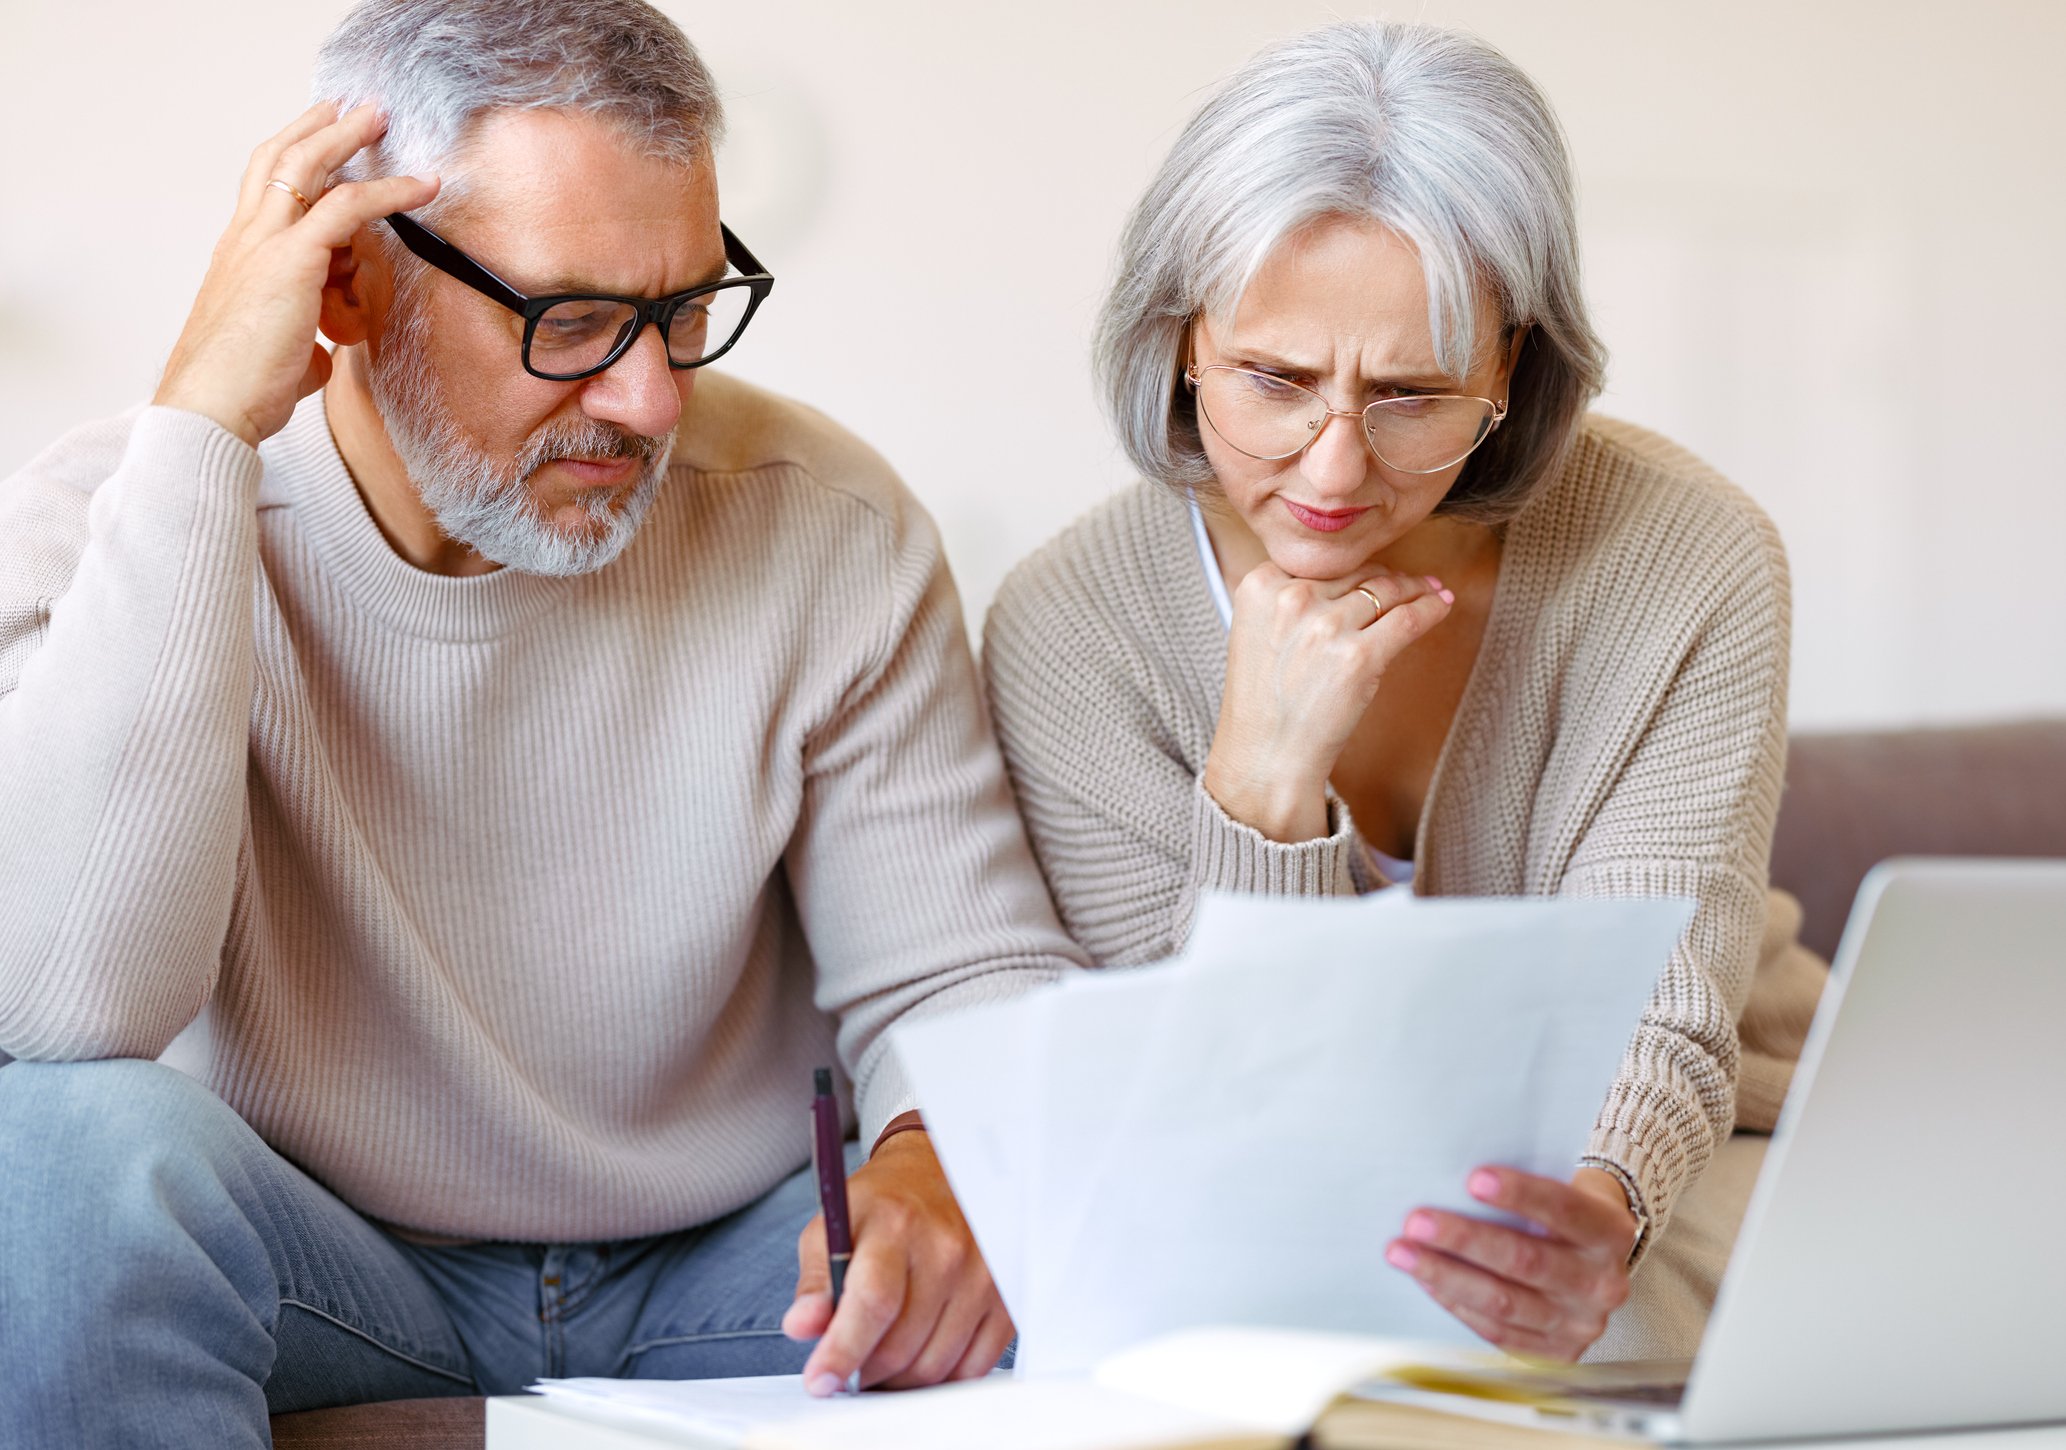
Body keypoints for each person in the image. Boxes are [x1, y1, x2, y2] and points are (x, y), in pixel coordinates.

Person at [0, 0, 1086, 1441]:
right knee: (56, 1158)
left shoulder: (820, 521)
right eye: (570, 321)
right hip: (332, 1268)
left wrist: (934, 1163)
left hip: (736, 1273)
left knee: (1084, 1237)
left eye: (683, 309)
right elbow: (69, 1020)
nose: (648, 398)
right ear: (349, 290)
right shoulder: (120, 520)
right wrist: (200, 436)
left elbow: (959, 975)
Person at [982, 20, 1824, 1363]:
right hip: (1275, 1193)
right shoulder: (1069, 624)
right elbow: (1218, 1114)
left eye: (1412, 394)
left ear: (1512, 367)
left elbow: (1662, 1001)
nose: (1330, 471)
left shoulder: (1686, 552)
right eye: (1273, 380)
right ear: (1178, 340)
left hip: (1696, 1155)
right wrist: (1257, 788)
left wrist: (1594, 1216)